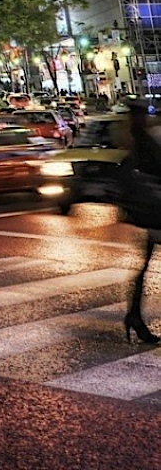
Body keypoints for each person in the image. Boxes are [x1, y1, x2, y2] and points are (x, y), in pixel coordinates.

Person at [122, 102, 161, 343]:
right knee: (144, 266)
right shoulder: (147, 141)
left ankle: (134, 315)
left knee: (144, 266)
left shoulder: (137, 141)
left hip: (150, 214)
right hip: (157, 213)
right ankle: (133, 316)